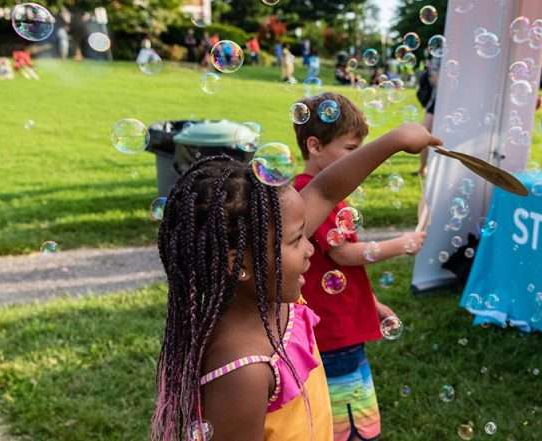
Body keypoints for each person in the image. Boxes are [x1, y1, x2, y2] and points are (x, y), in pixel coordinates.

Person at [150, 118, 440, 440]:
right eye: (295, 241)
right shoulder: (244, 370)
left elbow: (327, 191)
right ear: (238, 265)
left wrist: (395, 140)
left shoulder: (273, 294)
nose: (309, 250)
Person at [290, 93, 428, 441]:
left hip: (339, 324)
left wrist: (373, 304)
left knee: (349, 403)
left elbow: (330, 268)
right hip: (334, 331)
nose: (358, 159)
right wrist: (400, 245)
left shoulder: (313, 194)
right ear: (315, 146)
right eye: (351, 150)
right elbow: (342, 255)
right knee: (349, 419)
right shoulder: (309, 197)